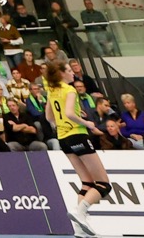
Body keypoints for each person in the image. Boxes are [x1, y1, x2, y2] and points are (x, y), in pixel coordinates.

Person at [44, 59, 109, 236]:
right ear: (61, 74)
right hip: (77, 134)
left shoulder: (52, 90)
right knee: (103, 184)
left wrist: (64, 121)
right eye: (69, 71)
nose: (72, 73)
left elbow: (49, 117)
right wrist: (87, 123)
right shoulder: (69, 89)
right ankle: (79, 212)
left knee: (87, 183)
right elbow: (70, 113)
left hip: (63, 138)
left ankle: (79, 228)